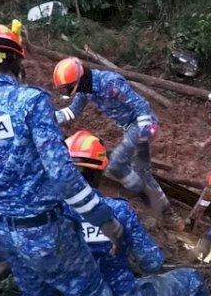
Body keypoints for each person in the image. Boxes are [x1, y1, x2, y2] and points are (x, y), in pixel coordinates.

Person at [0, 130, 211, 296]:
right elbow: (153, 263)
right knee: (192, 280)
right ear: (100, 171)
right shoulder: (117, 212)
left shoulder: (41, 217)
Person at [0, 20, 123, 296]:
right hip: (48, 234)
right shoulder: (31, 102)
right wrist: (105, 221)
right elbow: (63, 175)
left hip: (5, 234)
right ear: (17, 60)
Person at [52, 57, 183, 228]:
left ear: (80, 79)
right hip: (130, 128)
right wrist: (49, 118)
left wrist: (142, 140)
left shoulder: (110, 82)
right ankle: (168, 213)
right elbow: (72, 111)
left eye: (69, 86)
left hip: (145, 124)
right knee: (142, 172)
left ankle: (142, 196)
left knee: (117, 164)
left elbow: (142, 105)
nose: (69, 90)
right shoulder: (86, 91)